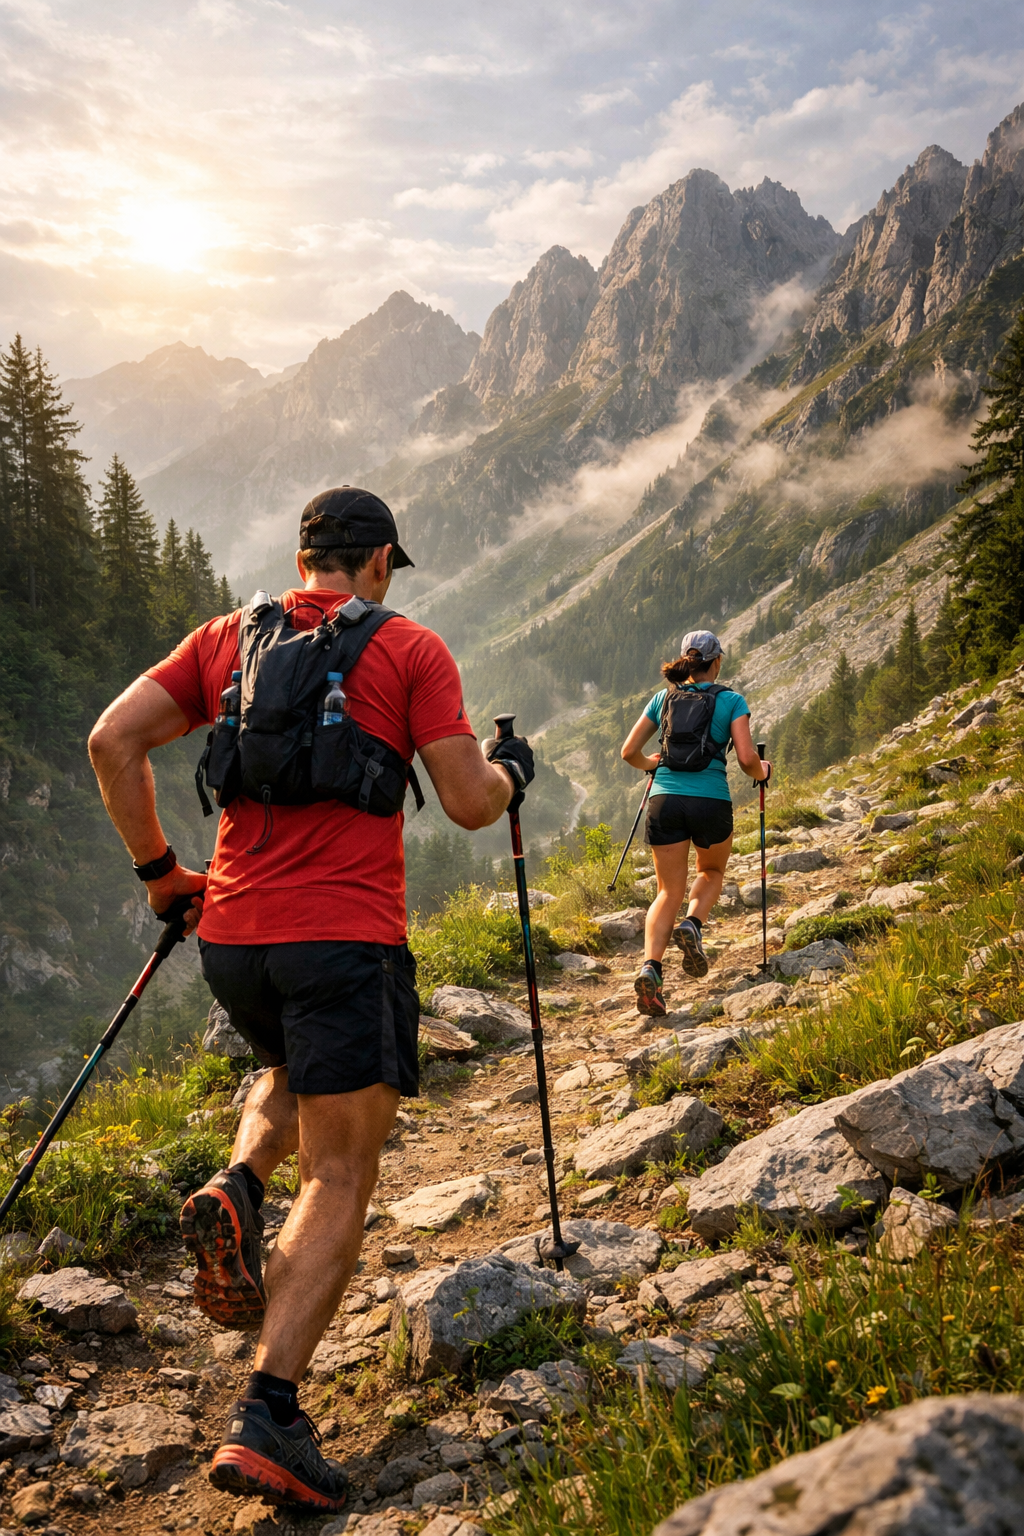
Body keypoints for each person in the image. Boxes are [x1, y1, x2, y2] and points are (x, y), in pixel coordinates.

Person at [87, 486, 534, 1515]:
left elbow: (113, 741)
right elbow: (470, 803)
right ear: (378, 562)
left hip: (235, 941)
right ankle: (270, 1415)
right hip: (344, 943)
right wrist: (512, 771)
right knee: (338, 1173)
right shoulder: (409, 649)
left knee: (286, 1073)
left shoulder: (227, 640)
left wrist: (160, 875)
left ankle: (240, 1185)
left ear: (302, 561)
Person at [620, 629, 769, 1016]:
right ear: (716, 662)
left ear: (685, 662)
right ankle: (693, 925)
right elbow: (747, 760)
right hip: (710, 802)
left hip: (664, 801)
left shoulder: (662, 699)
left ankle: (650, 970)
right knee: (711, 871)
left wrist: (652, 764)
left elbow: (629, 752)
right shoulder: (731, 701)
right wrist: (764, 770)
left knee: (667, 890)